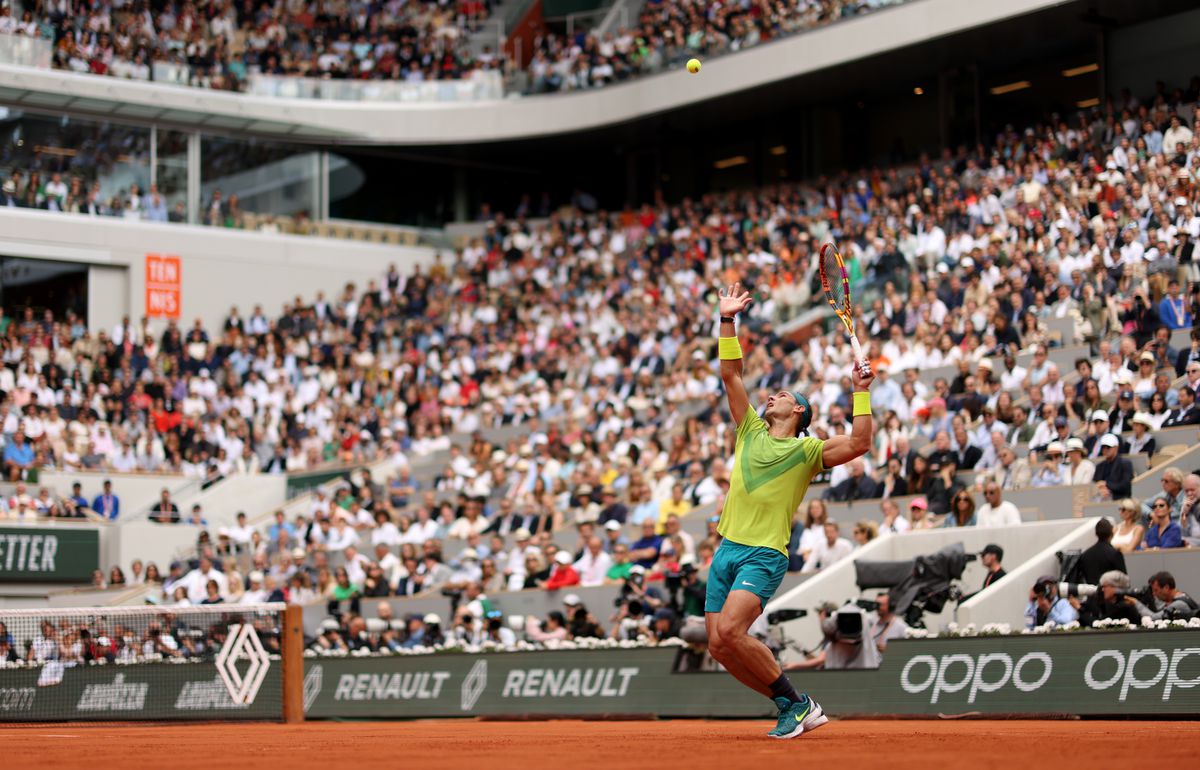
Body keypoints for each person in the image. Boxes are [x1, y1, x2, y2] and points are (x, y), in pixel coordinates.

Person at [707, 282, 874, 739]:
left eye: (782, 395)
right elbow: (730, 375)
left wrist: (860, 391)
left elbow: (861, 443)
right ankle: (789, 704)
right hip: (727, 549)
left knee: (734, 632)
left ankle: (799, 704)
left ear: (798, 410)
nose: (771, 396)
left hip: (763, 553)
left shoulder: (808, 451)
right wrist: (727, 320)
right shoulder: (749, 430)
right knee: (719, 646)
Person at [1074, 570, 1142, 626]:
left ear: (1115, 587)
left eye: (1105, 586)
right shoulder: (1110, 604)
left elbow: (1098, 624)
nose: (1102, 590)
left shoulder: (1124, 606)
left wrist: (1079, 608)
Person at [1075, 518, 1127, 584]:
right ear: (1112, 533)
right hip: (1110, 593)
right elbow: (1123, 579)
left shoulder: (1085, 555)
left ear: (1096, 533)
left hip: (1091, 593)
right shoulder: (1115, 554)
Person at [1129, 571, 1198, 621]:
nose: (1154, 594)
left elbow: (1154, 618)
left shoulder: (1179, 604)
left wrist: (1135, 603)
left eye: (1156, 590)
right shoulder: (1181, 596)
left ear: (1166, 588)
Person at [1093, 434, 1133, 501]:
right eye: (1103, 447)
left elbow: (1125, 486)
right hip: (1100, 498)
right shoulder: (1099, 466)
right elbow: (1096, 483)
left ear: (1116, 447)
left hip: (1120, 499)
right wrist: (1101, 489)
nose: (1105, 450)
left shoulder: (1125, 464)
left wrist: (1107, 485)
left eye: (1108, 447)